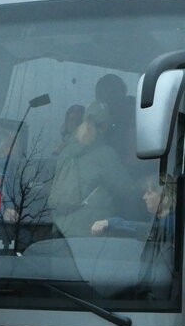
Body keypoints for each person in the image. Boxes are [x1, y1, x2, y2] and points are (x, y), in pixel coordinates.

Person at [48, 101, 138, 237]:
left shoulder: (65, 152)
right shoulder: (105, 154)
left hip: (61, 231)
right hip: (92, 233)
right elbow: (128, 192)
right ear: (106, 125)